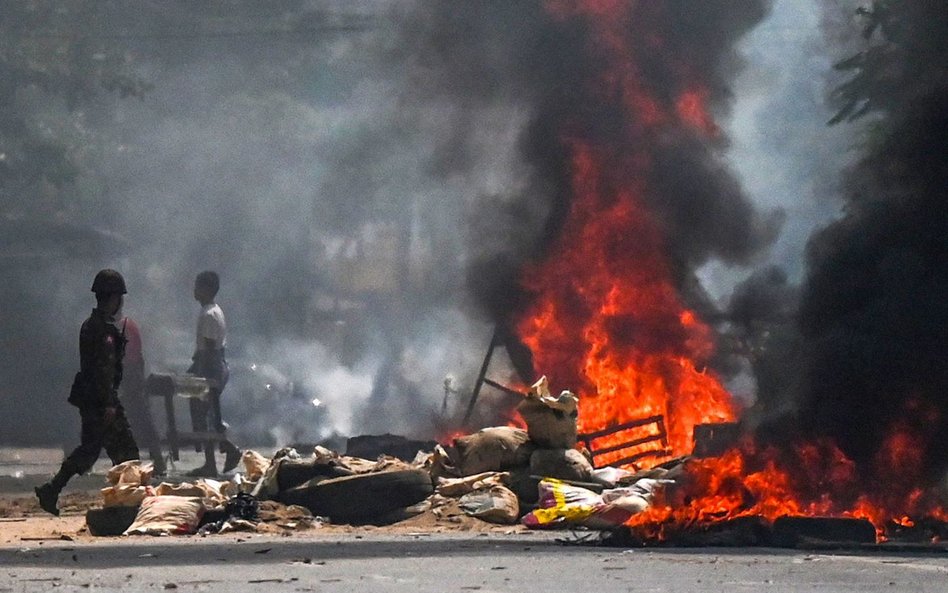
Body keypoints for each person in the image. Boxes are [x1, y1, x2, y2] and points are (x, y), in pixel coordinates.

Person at [35, 269, 140, 516]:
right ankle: (128, 505)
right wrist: (110, 404)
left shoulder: (90, 325)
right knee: (127, 455)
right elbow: (103, 370)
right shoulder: (103, 330)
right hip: (101, 401)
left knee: (90, 450)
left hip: (91, 399)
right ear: (113, 298)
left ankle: (52, 488)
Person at [187, 270, 240, 477]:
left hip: (211, 367)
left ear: (207, 289)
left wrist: (200, 377)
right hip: (212, 365)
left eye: (197, 286)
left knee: (204, 415)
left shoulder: (210, 314)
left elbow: (209, 349)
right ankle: (218, 456)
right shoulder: (212, 311)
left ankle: (224, 453)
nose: (194, 290)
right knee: (209, 417)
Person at [119, 316, 166, 476]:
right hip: (132, 371)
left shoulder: (123, 326)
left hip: (130, 372)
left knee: (139, 415)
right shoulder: (127, 325)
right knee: (138, 416)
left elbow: (127, 356)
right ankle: (155, 460)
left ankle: (156, 461)